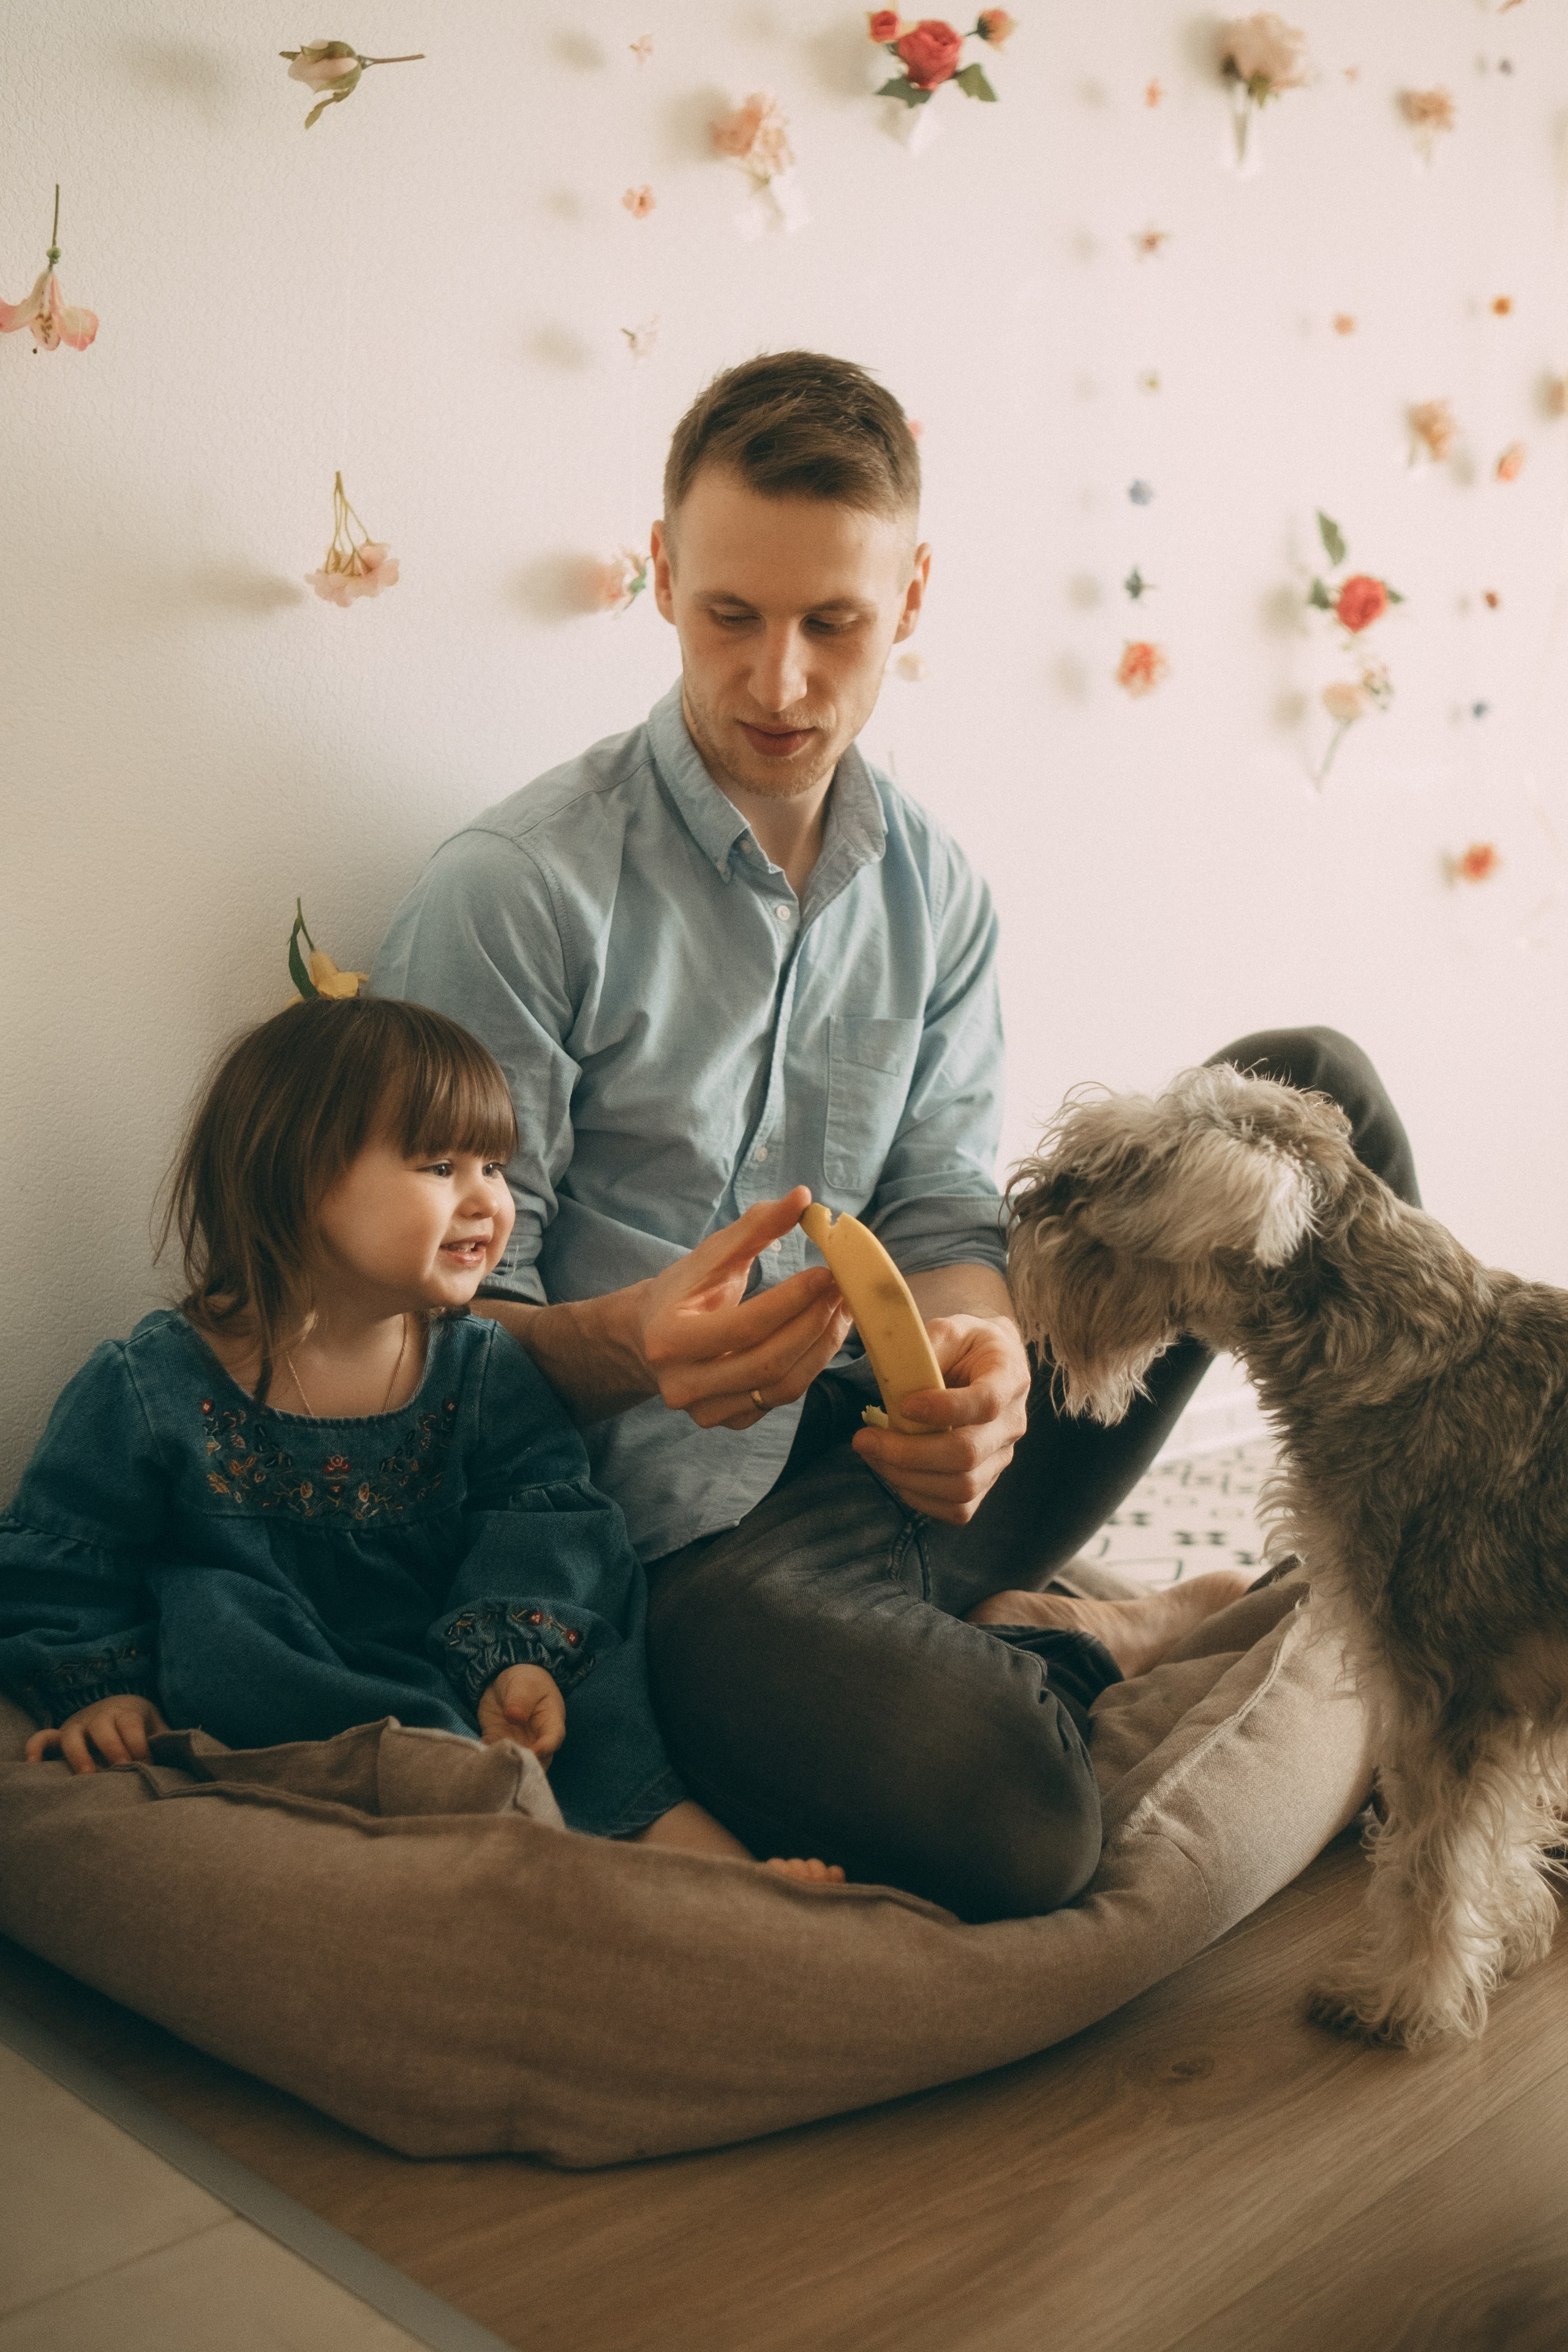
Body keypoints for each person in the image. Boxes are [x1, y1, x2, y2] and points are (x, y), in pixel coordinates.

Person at [371, 350, 1421, 1921]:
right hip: (675, 1555)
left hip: (911, 1470)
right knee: (1022, 1829)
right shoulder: (515, 891)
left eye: (831, 624)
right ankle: (1077, 1639)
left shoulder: (935, 890)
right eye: (729, 616)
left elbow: (938, 1205)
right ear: (662, 578)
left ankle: (1444, 1617)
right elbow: (412, 1342)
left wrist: (983, 1366)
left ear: (910, 598)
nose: (778, 682)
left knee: (1311, 1087)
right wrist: (634, 1349)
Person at [0, 993, 840, 1879]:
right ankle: (570, 1875)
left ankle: (737, 1888)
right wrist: (108, 1691)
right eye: (441, 1166)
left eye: (496, 1168)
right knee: (215, 1614)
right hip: (298, 1694)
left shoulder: (478, 1368)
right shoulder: (151, 1386)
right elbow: (67, 1557)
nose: (486, 1200)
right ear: (297, 1181)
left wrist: (516, 1661)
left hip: (472, 1662)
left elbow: (543, 1517)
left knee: (601, 1721)